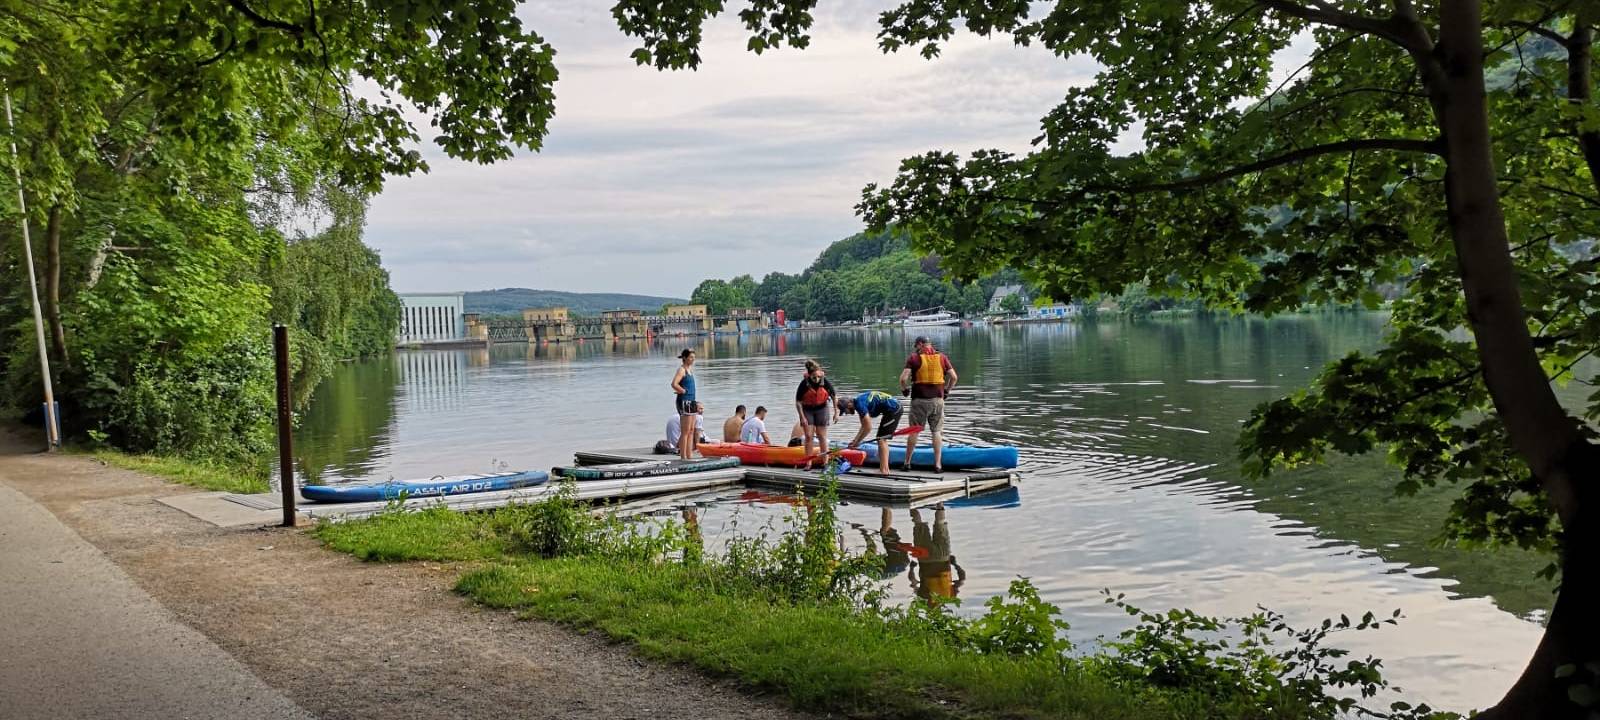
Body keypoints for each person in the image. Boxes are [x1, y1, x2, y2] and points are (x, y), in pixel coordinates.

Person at [898, 336, 957, 473]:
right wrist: (947, 391)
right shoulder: (942, 357)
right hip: (938, 400)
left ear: (920, 344)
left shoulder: (914, 358)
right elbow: (954, 377)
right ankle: (937, 465)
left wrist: (904, 390)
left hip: (919, 400)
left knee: (914, 430)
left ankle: (907, 463)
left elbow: (903, 379)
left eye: (916, 347)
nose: (916, 349)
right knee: (936, 431)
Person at [907, 504, 965, 606]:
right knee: (918, 524)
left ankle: (940, 502)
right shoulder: (923, 598)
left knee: (940, 524)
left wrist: (955, 564)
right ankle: (911, 502)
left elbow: (962, 579)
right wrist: (911, 568)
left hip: (943, 557)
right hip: (925, 559)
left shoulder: (949, 597)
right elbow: (913, 581)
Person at [838, 389, 902, 474]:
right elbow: (863, 426)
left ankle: (884, 470)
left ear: (849, 404)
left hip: (894, 409)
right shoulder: (858, 403)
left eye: (845, 410)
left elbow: (868, 427)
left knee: (881, 439)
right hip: (891, 410)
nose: (846, 413)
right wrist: (855, 441)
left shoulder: (860, 405)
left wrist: (858, 441)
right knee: (881, 439)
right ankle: (884, 469)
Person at [793, 359, 838, 457]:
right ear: (809, 376)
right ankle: (808, 461)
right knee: (808, 436)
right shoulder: (804, 384)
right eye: (814, 377)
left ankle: (825, 461)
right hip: (807, 410)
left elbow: (834, 396)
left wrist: (836, 412)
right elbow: (798, 402)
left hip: (822, 408)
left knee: (821, 436)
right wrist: (802, 417)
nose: (817, 379)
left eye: (818, 377)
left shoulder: (824, 382)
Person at [671, 348, 699, 460]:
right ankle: (683, 457)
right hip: (684, 401)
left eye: (694, 358)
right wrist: (682, 391)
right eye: (691, 357)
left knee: (692, 430)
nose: (693, 360)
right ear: (685, 358)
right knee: (685, 431)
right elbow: (674, 384)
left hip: (692, 401)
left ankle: (689, 456)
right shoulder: (682, 370)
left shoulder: (690, 369)